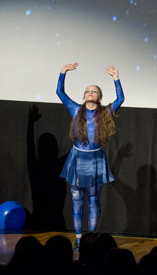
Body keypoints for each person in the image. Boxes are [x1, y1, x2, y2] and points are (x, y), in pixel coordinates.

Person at [56, 62, 124, 251]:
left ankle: (91, 238)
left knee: (93, 200)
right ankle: (78, 237)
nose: (90, 92)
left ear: (100, 98)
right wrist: (63, 72)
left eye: (94, 91)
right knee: (77, 200)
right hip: (78, 159)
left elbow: (120, 98)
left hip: (95, 160)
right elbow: (60, 93)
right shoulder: (76, 110)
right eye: (88, 90)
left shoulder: (105, 113)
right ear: (84, 96)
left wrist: (116, 78)